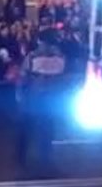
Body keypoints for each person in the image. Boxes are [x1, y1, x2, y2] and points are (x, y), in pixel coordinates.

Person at [16, 28, 66, 170]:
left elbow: (23, 75)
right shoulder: (60, 57)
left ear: (41, 40)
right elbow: (61, 78)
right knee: (47, 129)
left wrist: (19, 94)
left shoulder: (33, 56)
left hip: (33, 97)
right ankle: (46, 158)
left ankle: (21, 157)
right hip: (52, 98)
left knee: (26, 127)